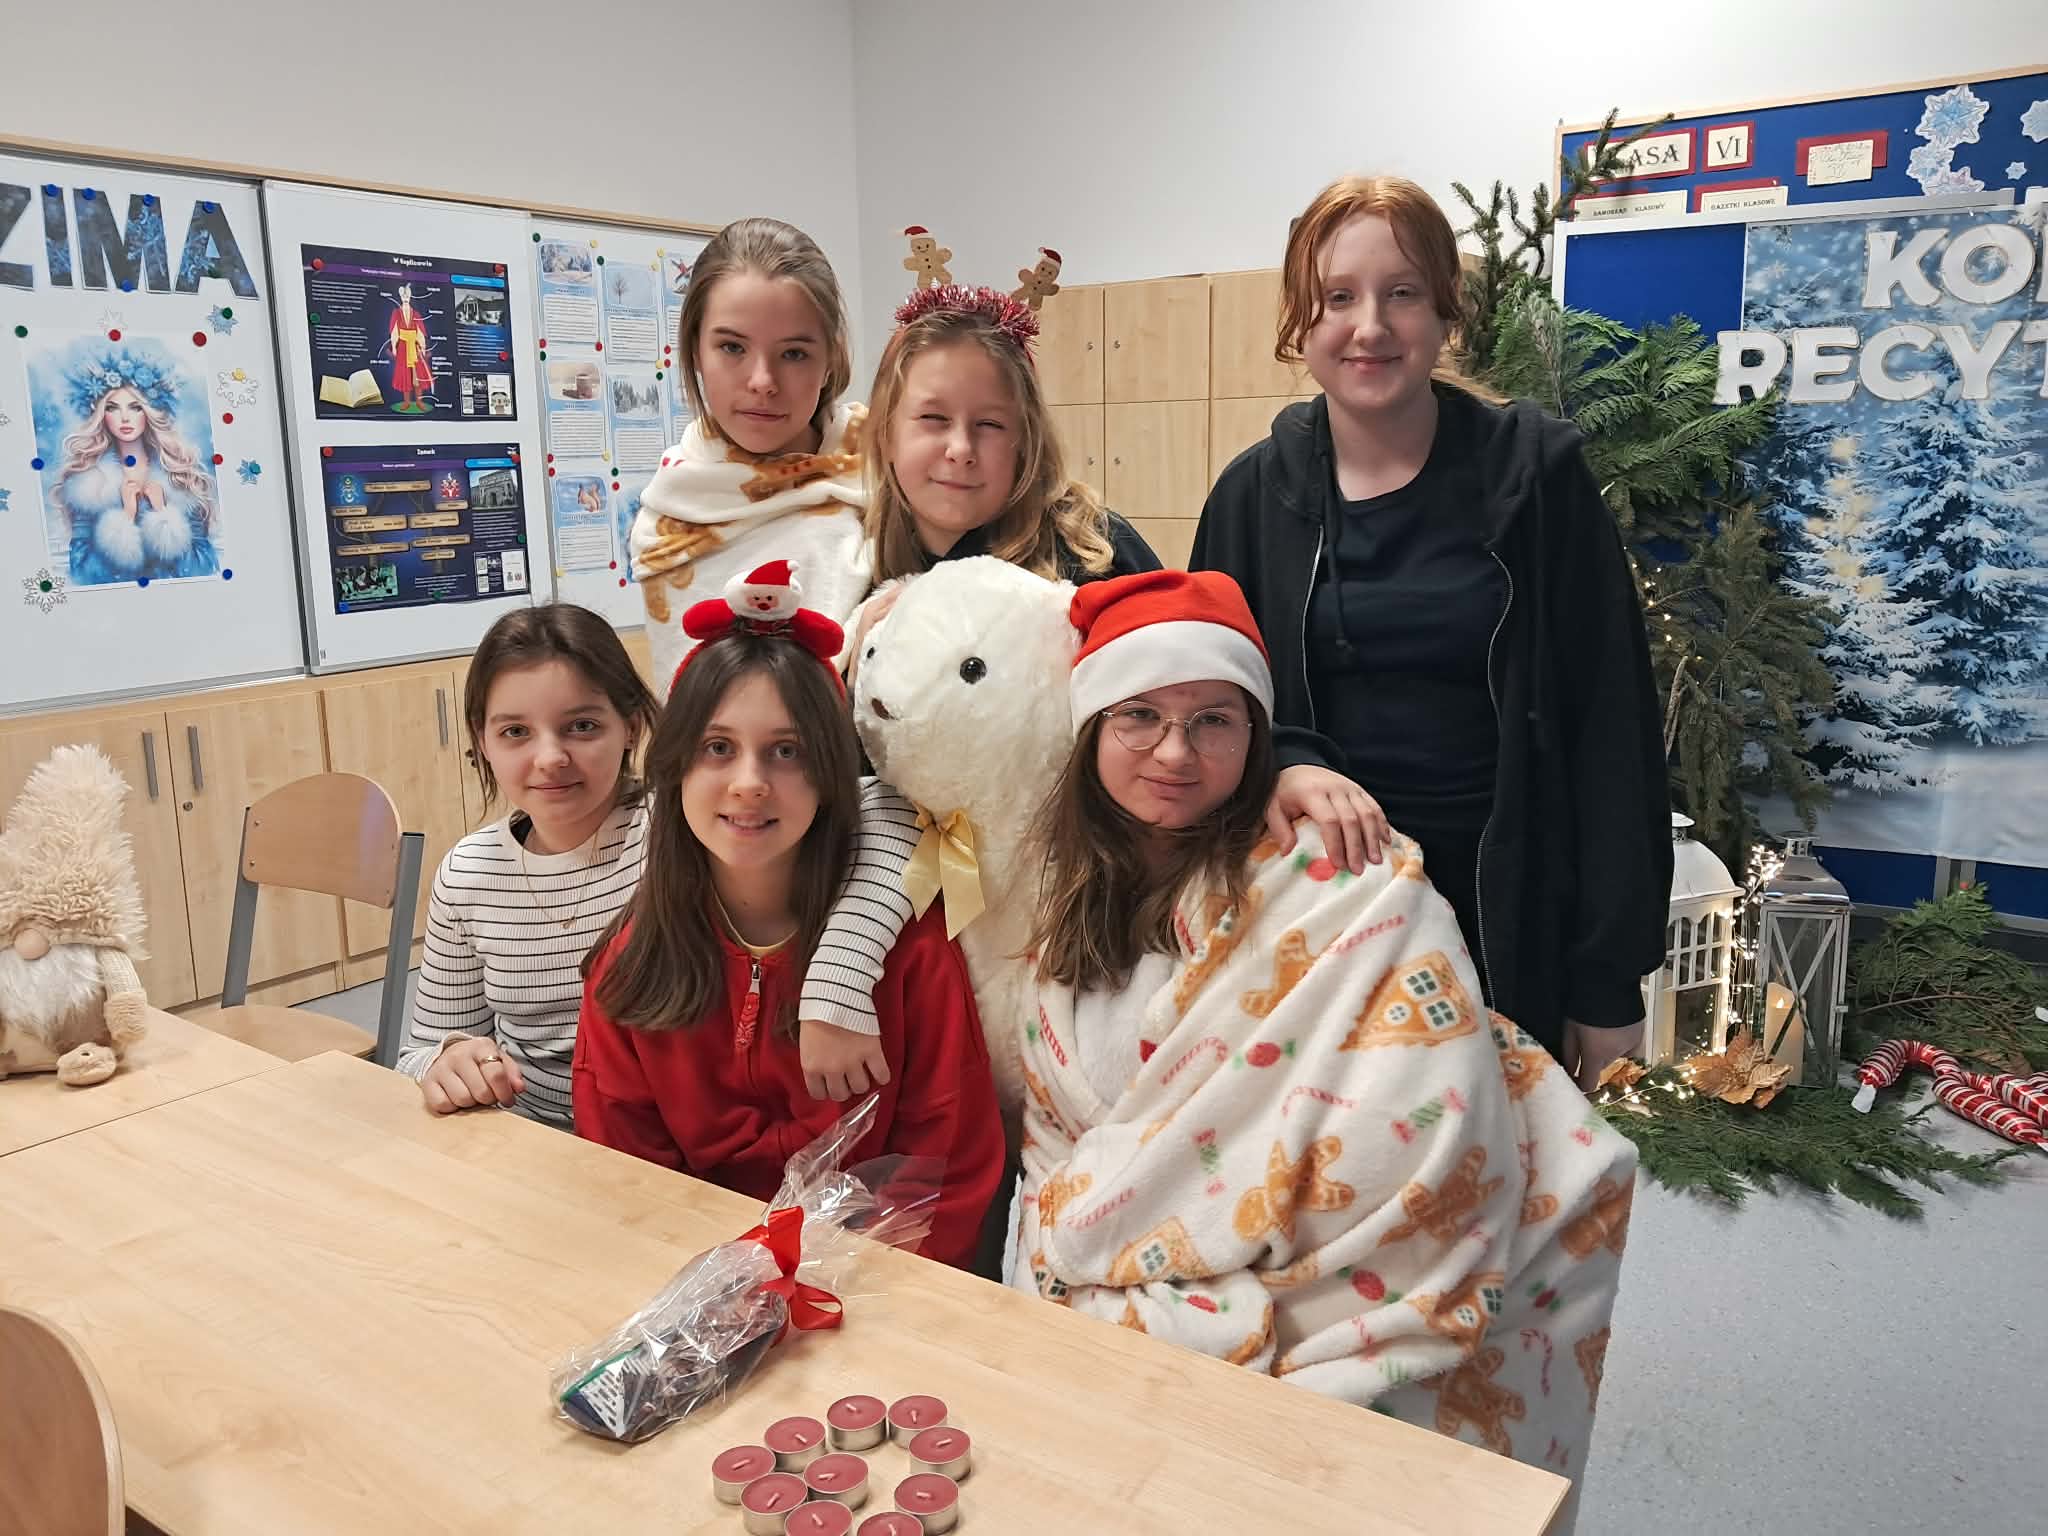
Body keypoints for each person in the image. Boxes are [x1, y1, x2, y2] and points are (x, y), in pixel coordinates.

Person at [1014, 569, 1636, 1530]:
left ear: (1257, 738)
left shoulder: (1345, 876)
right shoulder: (1062, 902)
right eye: (1139, 716)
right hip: (1135, 1268)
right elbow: (1052, 1133)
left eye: (1213, 720)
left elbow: (1418, 1119)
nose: (1175, 751)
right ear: (1091, 727)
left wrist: (1141, 1234)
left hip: (1335, 1275)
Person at [1192, 174, 1671, 1083]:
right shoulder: (1254, 496)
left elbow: (1611, 732)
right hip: (1316, 920)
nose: (1369, 326)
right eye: (1338, 296)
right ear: (1301, 321)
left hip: (1507, 917)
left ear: (1447, 310)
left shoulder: (1536, 481)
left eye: (1402, 292)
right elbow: (1210, 706)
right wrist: (1289, 758)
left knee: (1498, 1163)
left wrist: (1607, 980)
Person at [572, 573, 1004, 1269]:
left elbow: (945, 1174)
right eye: (718, 748)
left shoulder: (909, 952)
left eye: (787, 751)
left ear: (831, 774)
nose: (749, 783)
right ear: (676, 768)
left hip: (870, 1294)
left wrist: (830, 1297)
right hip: (683, 1292)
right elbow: (624, 1179)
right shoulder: (632, 965)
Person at [394, 604, 659, 1129]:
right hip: (530, 1139)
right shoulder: (469, 874)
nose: (550, 758)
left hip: (664, 1146)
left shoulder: (677, 833)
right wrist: (451, 1062)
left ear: (629, 727)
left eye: (581, 726)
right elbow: (420, 1053)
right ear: (483, 741)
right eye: (516, 732)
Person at [630, 217, 870, 696]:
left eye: (794, 353)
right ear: (695, 352)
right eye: (732, 347)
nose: (762, 381)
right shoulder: (672, 514)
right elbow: (688, 704)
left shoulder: (891, 471)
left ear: (830, 359)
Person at [51, 349, 219, 586]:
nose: (125, 418)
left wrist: (162, 514)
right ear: (100, 414)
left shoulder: (179, 476)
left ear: (149, 412)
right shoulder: (86, 485)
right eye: (112, 408)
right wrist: (126, 517)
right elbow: (82, 572)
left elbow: (204, 566)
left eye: (135, 407)